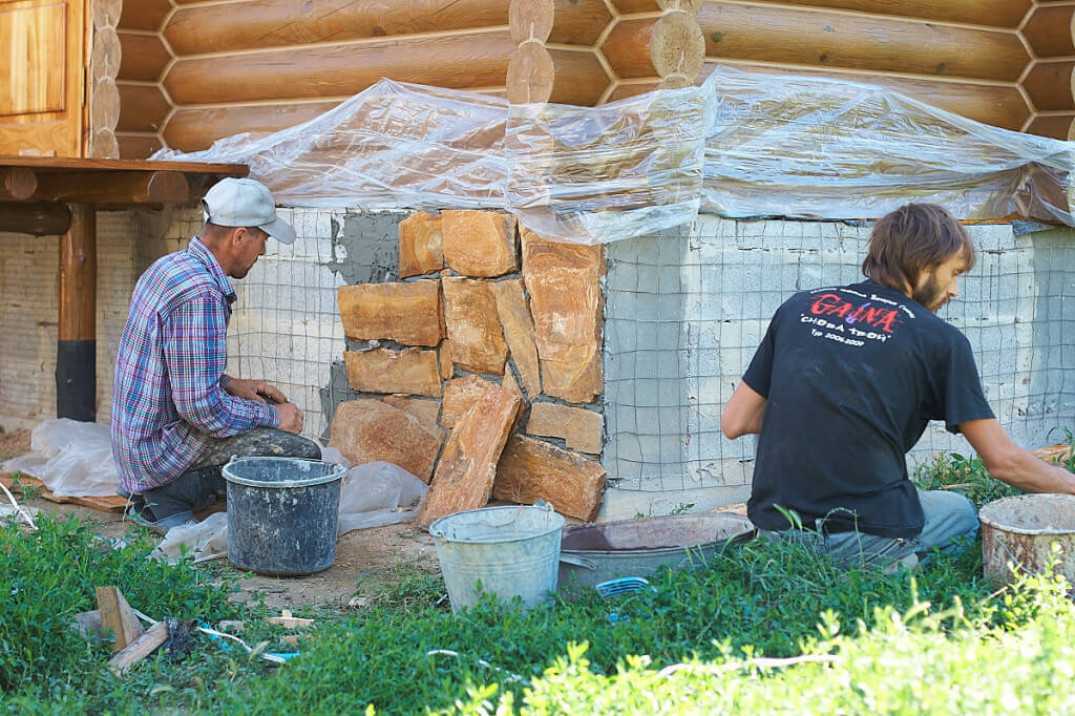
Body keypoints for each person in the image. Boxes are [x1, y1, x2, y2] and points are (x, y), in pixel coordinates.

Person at [721, 203, 1075, 570]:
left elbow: (736, 420)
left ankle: (823, 567)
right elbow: (1003, 462)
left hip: (778, 533)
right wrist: (1069, 486)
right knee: (960, 513)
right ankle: (892, 567)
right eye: (953, 273)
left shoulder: (799, 308)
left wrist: (824, 413)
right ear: (924, 264)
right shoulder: (940, 340)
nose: (954, 290)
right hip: (868, 535)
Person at [112, 177, 320, 533]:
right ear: (240, 237)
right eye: (263, 240)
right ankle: (169, 497)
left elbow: (169, 368)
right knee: (302, 455)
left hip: (136, 449)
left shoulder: (170, 267)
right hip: (157, 461)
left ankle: (163, 493)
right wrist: (272, 416)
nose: (264, 251)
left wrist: (231, 383)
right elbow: (199, 408)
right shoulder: (201, 294)